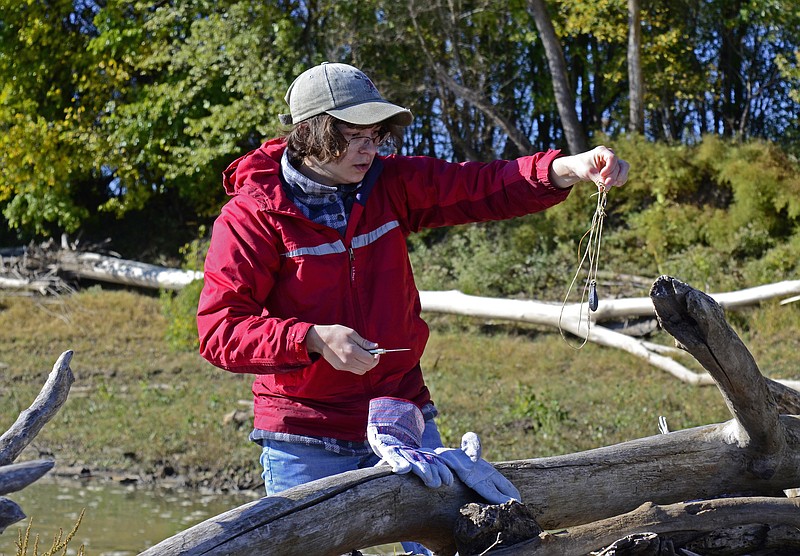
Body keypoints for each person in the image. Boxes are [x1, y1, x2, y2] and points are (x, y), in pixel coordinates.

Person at [196, 61, 628, 532]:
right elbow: (220, 331)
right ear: (315, 134)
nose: (371, 149)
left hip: (401, 411)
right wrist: (312, 339)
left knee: (458, 540)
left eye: (377, 136)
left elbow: (479, 186)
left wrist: (565, 168)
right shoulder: (251, 216)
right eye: (357, 136)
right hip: (304, 433)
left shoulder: (391, 183)